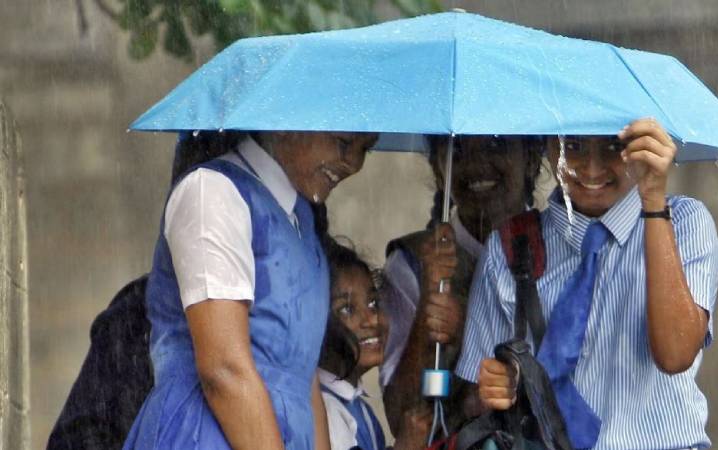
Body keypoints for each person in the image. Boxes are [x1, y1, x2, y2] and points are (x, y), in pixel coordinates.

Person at [459, 119, 718, 450]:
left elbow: (675, 354)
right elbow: (473, 401)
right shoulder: (510, 247)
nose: (592, 169)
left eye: (614, 146)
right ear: (547, 145)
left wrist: (653, 201)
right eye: (573, 146)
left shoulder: (683, 221)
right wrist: (499, 388)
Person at [123, 129, 378, 450]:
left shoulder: (300, 218)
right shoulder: (213, 191)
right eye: (344, 143)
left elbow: (303, 372)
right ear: (287, 123)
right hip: (205, 434)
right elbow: (223, 370)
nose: (353, 164)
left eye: (365, 149)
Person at [379, 135, 544, 436]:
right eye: (459, 149)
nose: (478, 164)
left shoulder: (563, 253)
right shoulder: (413, 265)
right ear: (438, 169)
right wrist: (425, 324)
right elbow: (400, 417)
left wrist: (466, 329)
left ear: (531, 158)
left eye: (497, 144)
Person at [318, 239, 430, 450]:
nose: (372, 319)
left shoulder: (359, 408)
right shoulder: (324, 409)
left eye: (373, 303)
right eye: (347, 309)